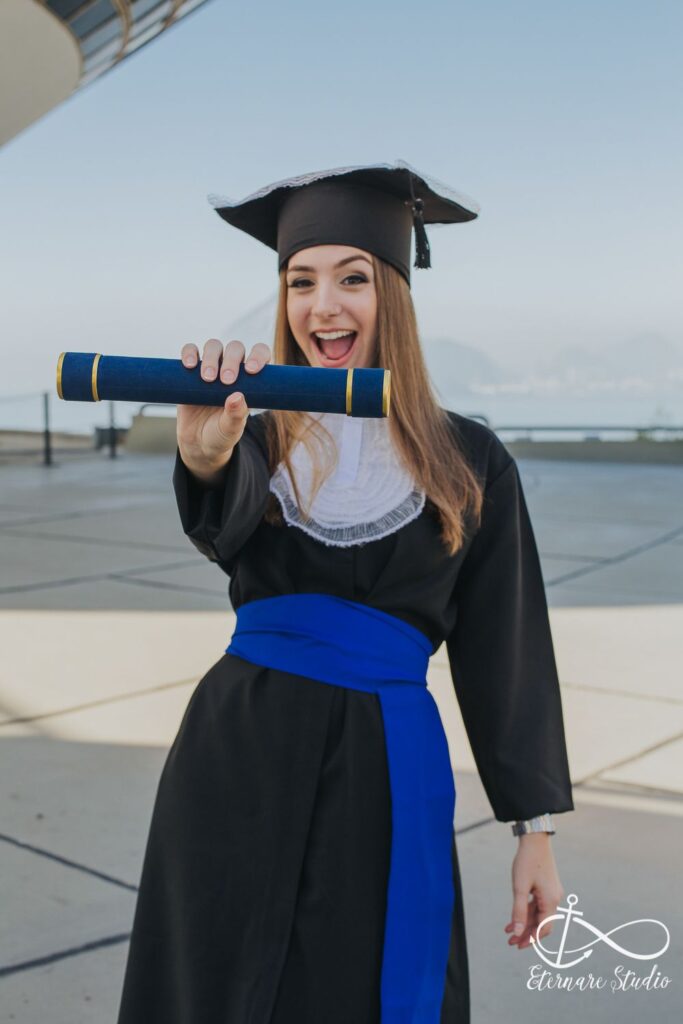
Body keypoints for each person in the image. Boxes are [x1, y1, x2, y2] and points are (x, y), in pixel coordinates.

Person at [116, 162, 574, 1024]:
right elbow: (221, 523)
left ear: (393, 293)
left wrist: (534, 833)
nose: (322, 306)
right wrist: (205, 452)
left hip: (385, 776)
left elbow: (504, 654)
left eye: (352, 279)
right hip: (236, 759)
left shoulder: (468, 459)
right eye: (300, 282)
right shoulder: (253, 434)